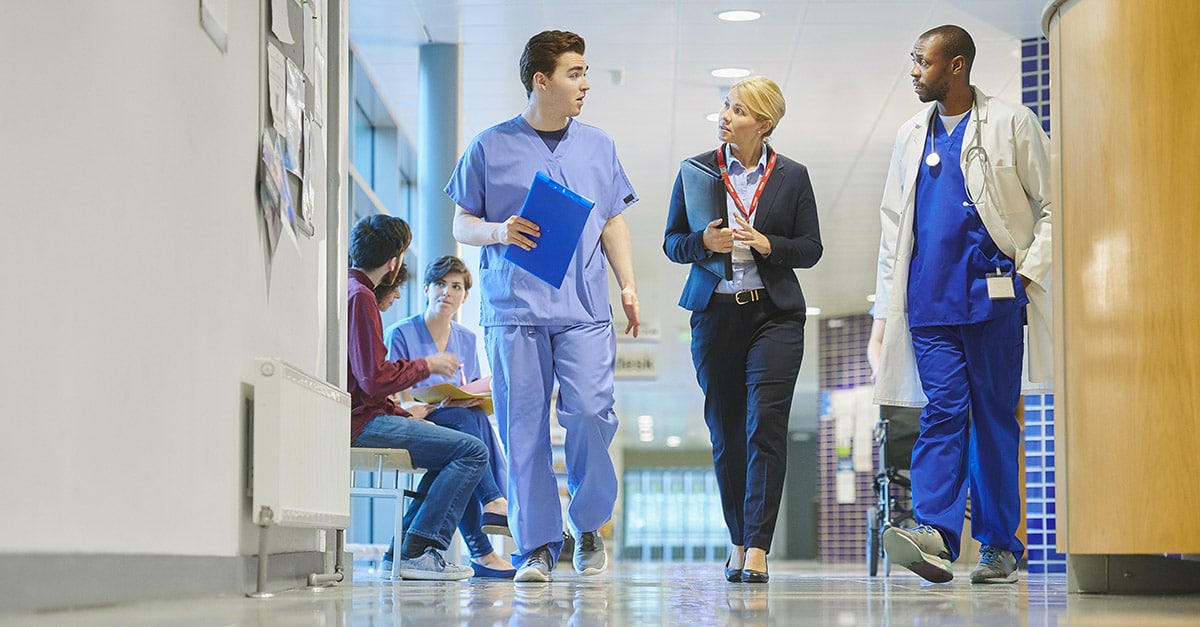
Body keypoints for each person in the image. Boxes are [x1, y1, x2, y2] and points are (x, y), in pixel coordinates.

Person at [445, 29, 640, 583]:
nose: (584, 84)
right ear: (541, 80)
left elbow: (611, 219)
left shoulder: (598, 145)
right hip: (513, 308)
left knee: (589, 414)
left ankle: (587, 524)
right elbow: (461, 221)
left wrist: (627, 284)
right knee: (522, 428)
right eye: (575, 73)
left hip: (582, 306)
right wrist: (498, 230)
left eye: (585, 73)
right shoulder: (489, 146)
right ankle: (536, 547)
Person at [873, 25, 1052, 585]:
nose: (913, 71)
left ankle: (999, 546)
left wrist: (1027, 274)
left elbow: (1055, 205)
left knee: (995, 421)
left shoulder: (1013, 123)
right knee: (944, 411)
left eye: (922, 62)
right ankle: (934, 533)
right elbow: (893, 227)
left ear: (956, 66)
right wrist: (885, 311)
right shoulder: (909, 135)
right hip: (929, 305)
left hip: (995, 300)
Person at [663, 76, 822, 584]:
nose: (725, 116)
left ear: (764, 124)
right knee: (727, 431)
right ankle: (737, 538)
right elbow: (671, 242)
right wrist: (703, 242)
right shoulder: (695, 170)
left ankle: (757, 547)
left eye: (737, 110)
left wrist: (768, 243)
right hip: (715, 315)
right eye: (725, 106)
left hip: (774, 316)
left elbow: (811, 248)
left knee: (765, 427)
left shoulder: (792, 176)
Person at [347, 214, 489, 581]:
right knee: (472, 450)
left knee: (459, 446)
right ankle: (420, 550)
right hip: (361, 424)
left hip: (366, 415)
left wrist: (401, 411)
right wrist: (426, 366)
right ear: (394, 263)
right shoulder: (362, 297)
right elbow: (374, 379)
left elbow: (366, 383)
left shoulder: (351, 291)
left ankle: (402, 552)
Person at [384, 255, 517, 579]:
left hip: (454, 419)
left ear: (465, 296)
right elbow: (390, 390)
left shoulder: (467, 339)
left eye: (456, 286)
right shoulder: (400, 332)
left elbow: (469, 386)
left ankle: (400, 553)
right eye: (441, 284)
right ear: (427, 289)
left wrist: (474, 397)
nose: (447, 292)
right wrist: (413, 407)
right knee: (467, 435)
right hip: (414, 420)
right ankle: (490, 515)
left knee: (468, 427)